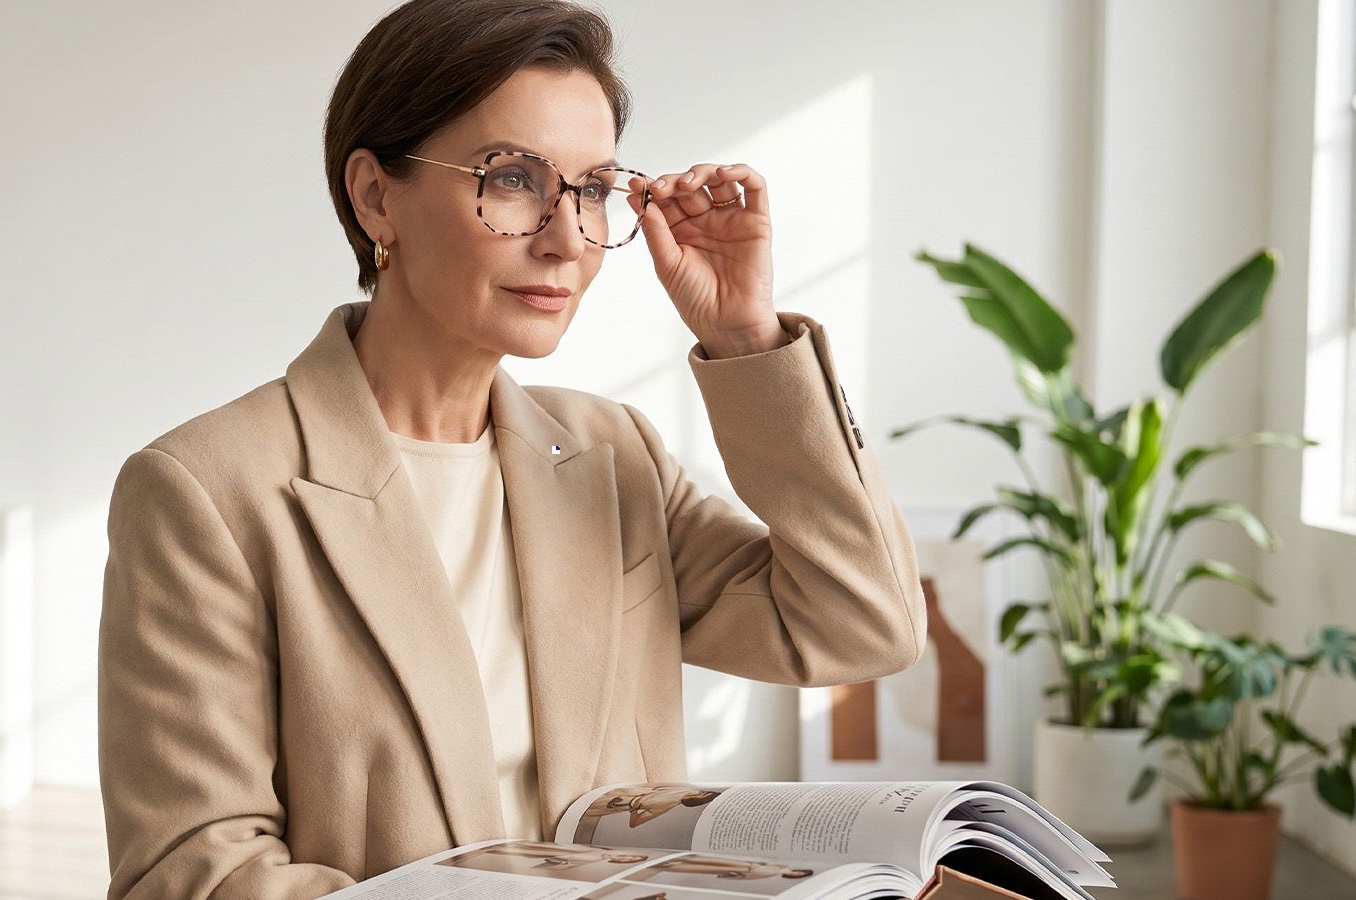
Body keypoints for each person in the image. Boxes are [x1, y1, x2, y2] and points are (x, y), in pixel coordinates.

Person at [97, 0, 928, 897]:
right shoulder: (207, 490)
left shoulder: (613, 454)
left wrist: (747, 341)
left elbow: (862, 624)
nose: (567, 239)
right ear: (377, 195)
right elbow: (191, 871)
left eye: (596, 188)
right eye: (513, 179)